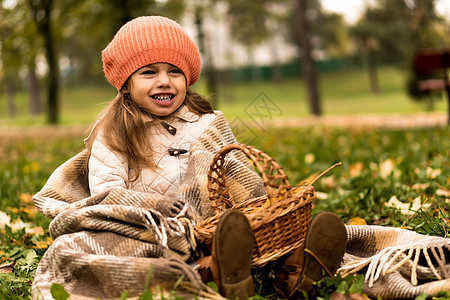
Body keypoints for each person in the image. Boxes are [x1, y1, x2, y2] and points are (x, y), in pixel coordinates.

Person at [32, 15, 347, 300]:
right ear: (126, 83)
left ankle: (290, 268)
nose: (164, 81)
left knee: (246, 228)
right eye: (149, 72)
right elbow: (107, 197)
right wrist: (156, 217)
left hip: (214, 226)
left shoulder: (206, 123)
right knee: (88, 249)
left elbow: (233, 169)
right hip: (157, 232)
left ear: (187, 78)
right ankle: (211, 272)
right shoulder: (115, 133)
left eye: (174, 72)